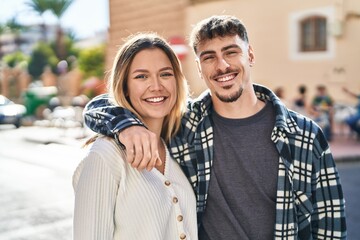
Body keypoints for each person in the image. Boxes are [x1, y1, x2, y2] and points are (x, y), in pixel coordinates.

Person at [84, 15, 347, 239]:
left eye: (231, 52)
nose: (222, 66)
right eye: (209, 57)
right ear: (198, 68)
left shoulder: (305, 135)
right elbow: (103, 103)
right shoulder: (184, 125)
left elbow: (330, 224)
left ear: (250, 55)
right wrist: (127, 125)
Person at [72, 33, 198, 240]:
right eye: (141, 76)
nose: (156, 86)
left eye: (165, 74)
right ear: (125, 87)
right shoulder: (105, 155)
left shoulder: (176, 145)